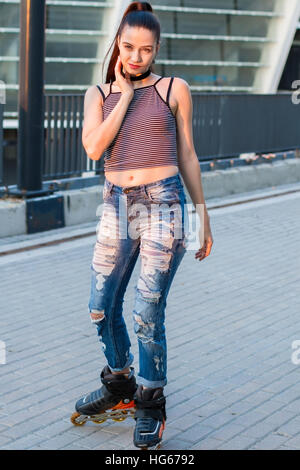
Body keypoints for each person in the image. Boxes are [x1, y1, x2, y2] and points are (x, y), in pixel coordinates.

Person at [74, 1, 213, 449]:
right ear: (118, 43)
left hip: (163, 205)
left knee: (146, 312)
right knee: (100, 306)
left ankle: (150, 401)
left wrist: (203, 213)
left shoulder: (174, 88)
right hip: (116, 205)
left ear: (156, 51)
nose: (136, 57)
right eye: (129, 47)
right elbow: (95, 148)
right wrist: (126, 96)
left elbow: (188, 154)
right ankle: (120, 383)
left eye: (146, 50)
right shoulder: (98, 94)